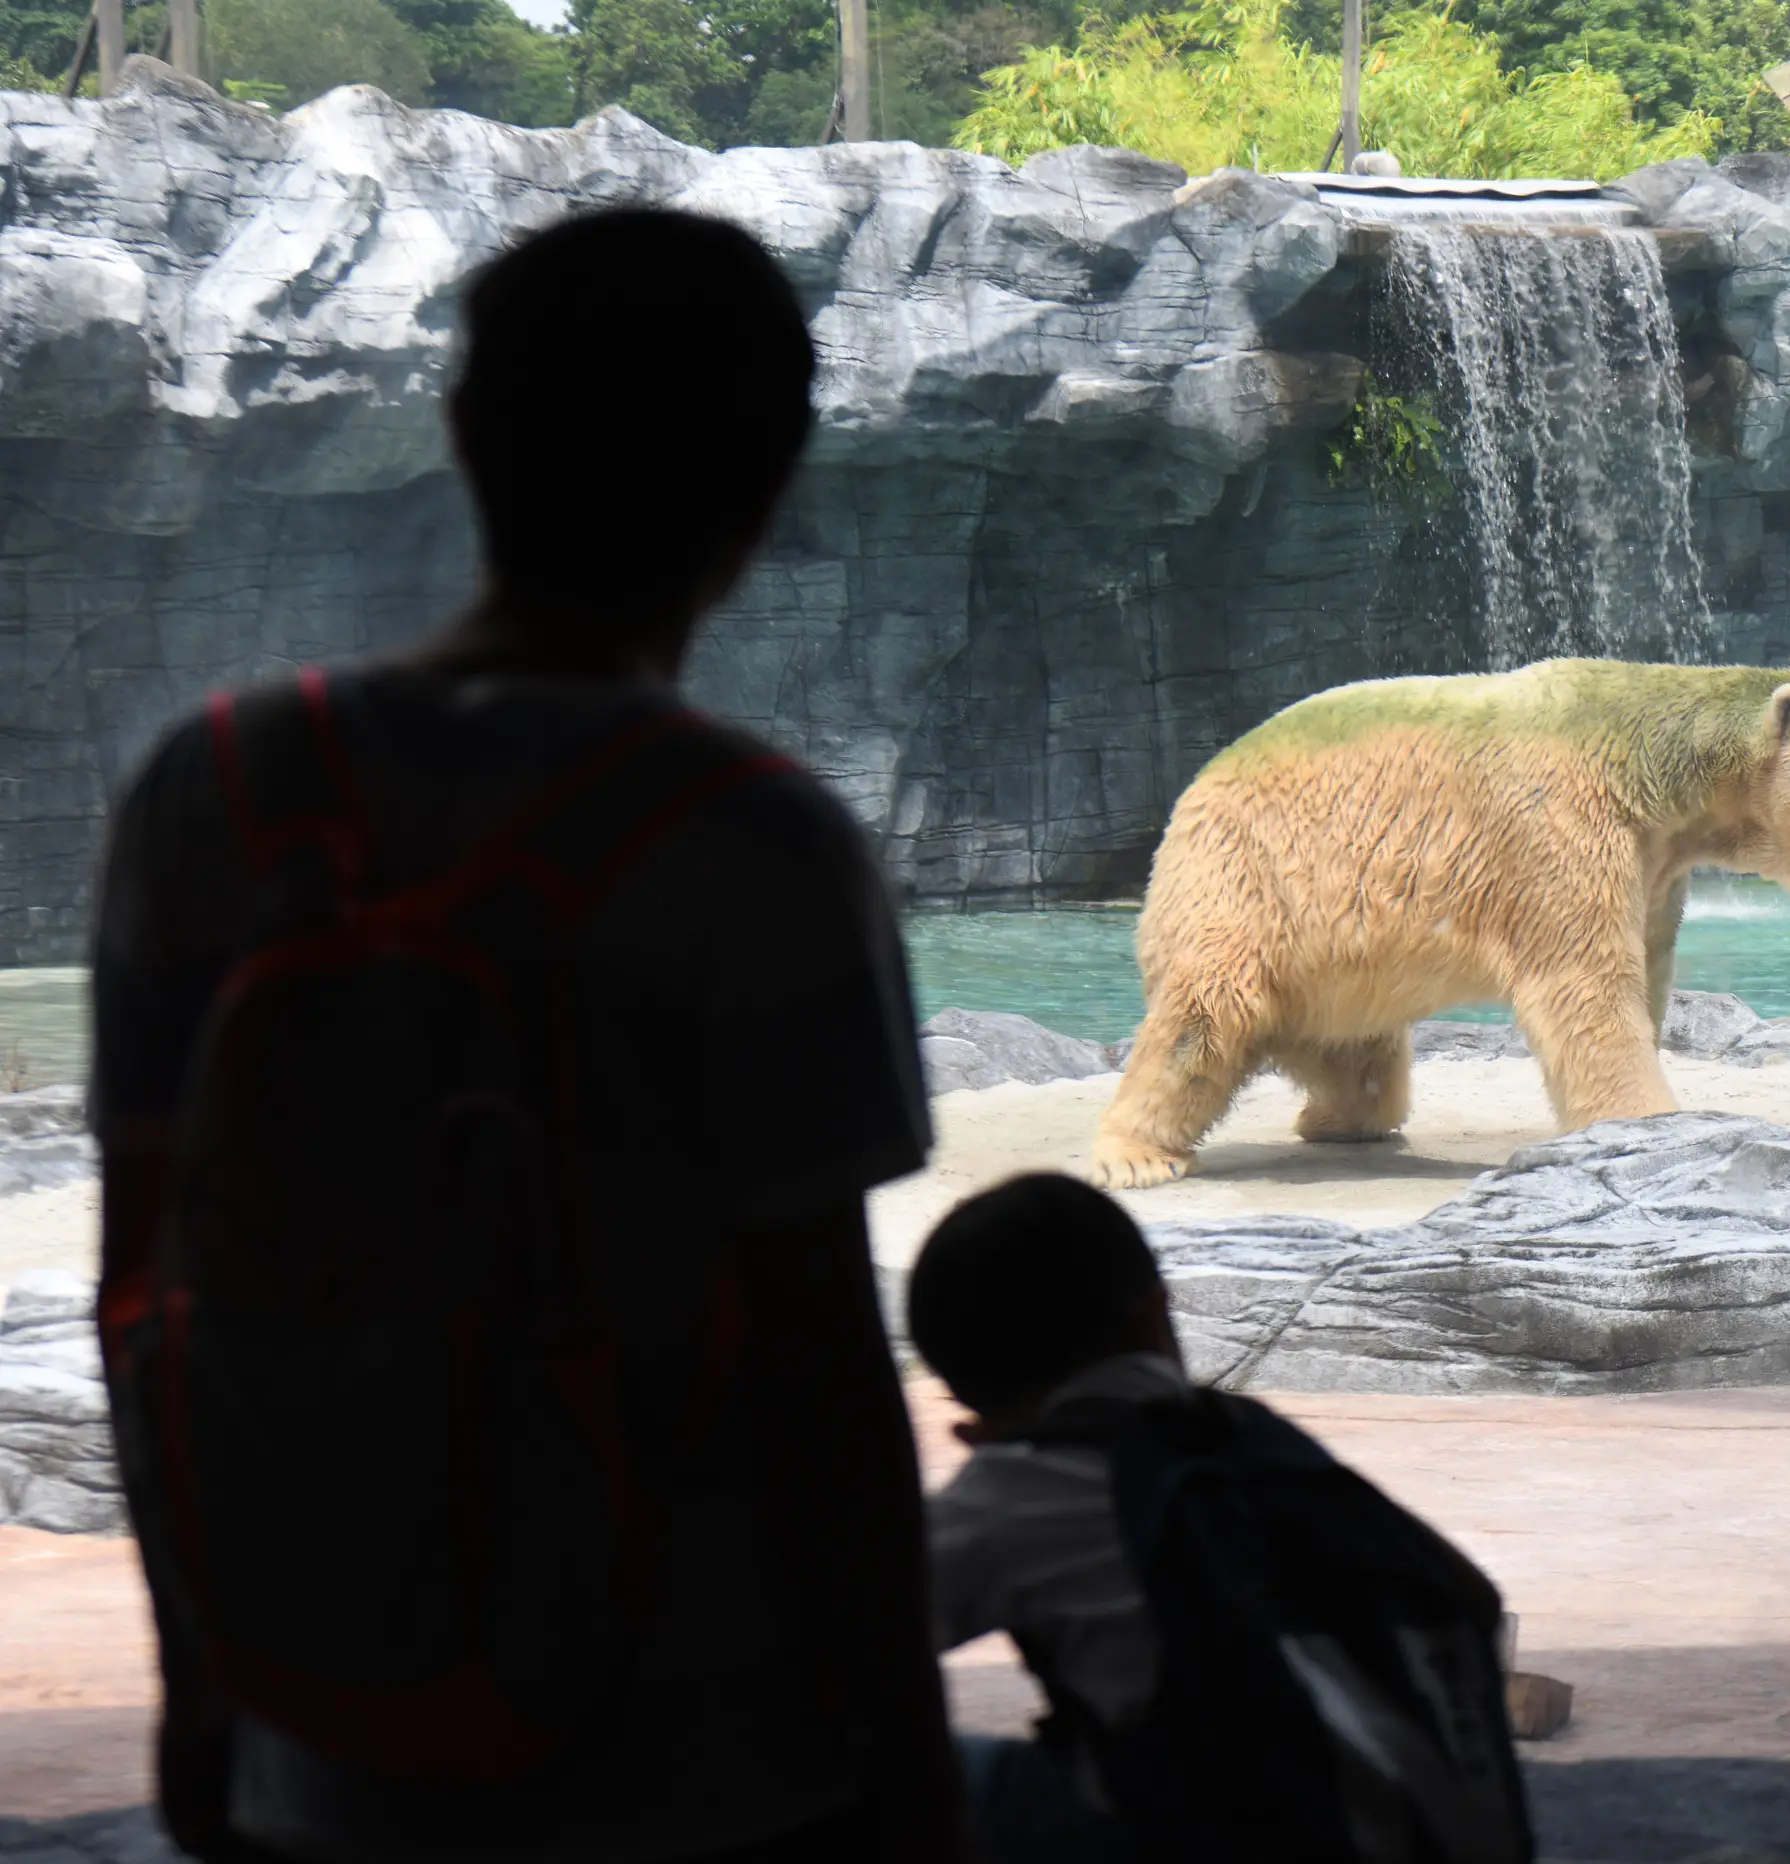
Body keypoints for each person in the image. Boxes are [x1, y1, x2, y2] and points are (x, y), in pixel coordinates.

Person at [91, 209, 962, 1862]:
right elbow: (821, 1374)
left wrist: (201, 1680)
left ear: (464, 429)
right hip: (706, 1750)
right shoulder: (755, 841)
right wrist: (910, 1772)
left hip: (326, 1719)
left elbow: (145, 1285)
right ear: (766, 490)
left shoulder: (213, 788)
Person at [907, 1173, 1189, 1864]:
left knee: (929, 1771)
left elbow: (850, 1633)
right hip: (1411, 1810)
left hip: (1198, 1831)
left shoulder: (1015, 1489)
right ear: (1156, 1316)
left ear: (964, 1395)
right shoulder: (1266, 1446)